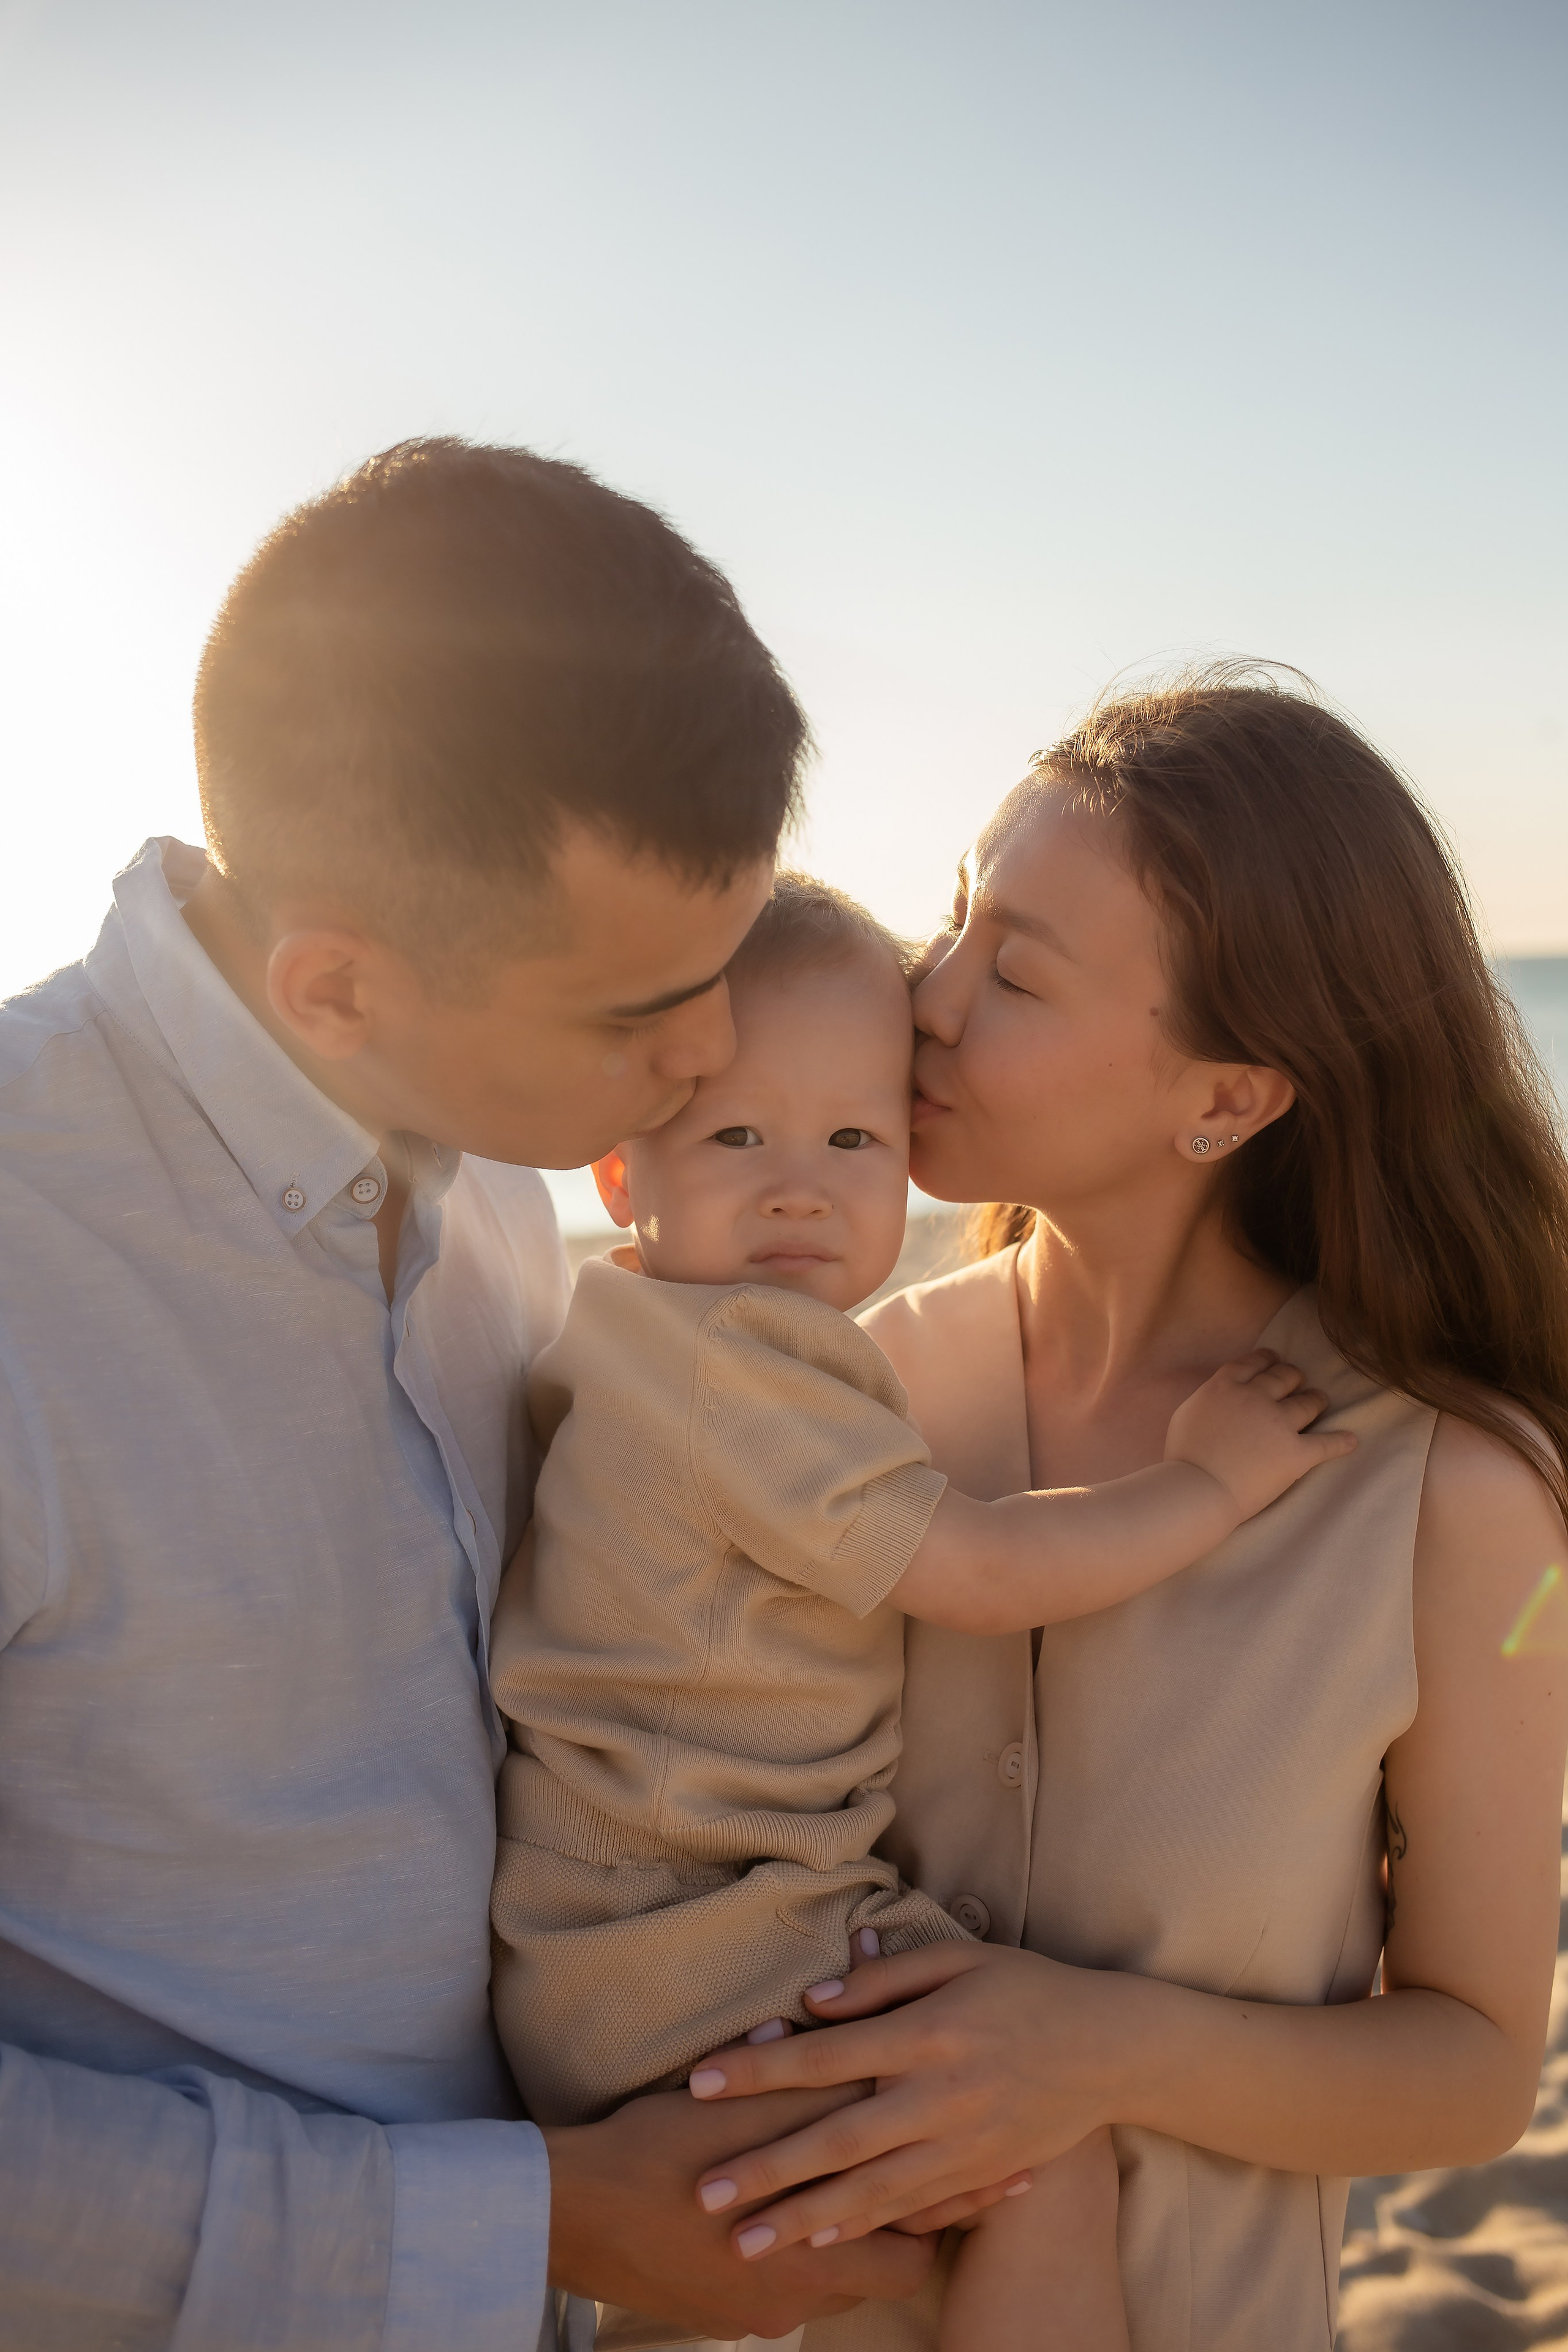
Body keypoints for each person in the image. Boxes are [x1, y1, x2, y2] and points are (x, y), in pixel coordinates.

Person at [0, 439, 937, 2350]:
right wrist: (528, 2223)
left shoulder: (503, 1169)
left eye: (725, 966)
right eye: (640, 1011)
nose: (711, 1054)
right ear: (337, 991)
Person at [670, 672, 1568, 2352]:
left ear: (1227, 1099)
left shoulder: (1445, 1491)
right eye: (954, 919)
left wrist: (1093, 2051)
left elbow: (1470, 2073)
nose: (927, 999)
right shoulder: (848, 1394)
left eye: (1013, 974)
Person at [488, 873, 1349, 2350]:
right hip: (693, 1937)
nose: (798, 1188)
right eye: (736, 1137)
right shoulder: (738, 1365)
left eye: (853, 1140)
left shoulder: (635, 1333)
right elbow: (978, 1570)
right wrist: (1204, 1487)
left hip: (615, 1937)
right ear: (621, 1175)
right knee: (1036, 2164)